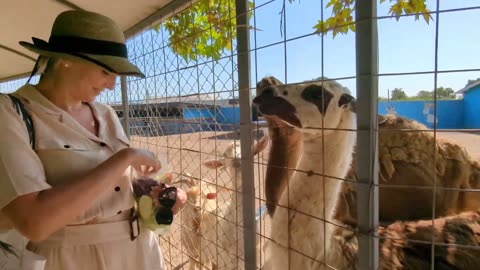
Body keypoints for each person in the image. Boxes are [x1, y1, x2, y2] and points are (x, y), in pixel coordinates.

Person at [0, 9, 187, 270]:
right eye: (105, 72)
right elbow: (34, 222)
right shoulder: (12, 112)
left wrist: (158, 197)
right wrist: (125, 158)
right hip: (71, 258)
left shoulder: (105, 113)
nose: (111, 85)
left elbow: (120, 187)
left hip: (139, 251)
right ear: (66, 60)